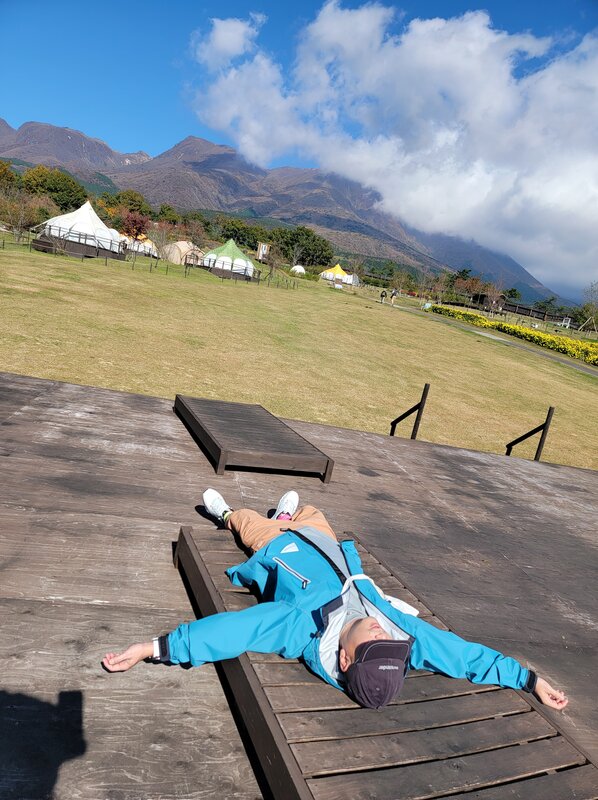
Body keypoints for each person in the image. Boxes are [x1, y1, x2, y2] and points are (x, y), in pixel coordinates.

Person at [103, 491, 568, 711]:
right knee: (314, 511)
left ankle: (227, 513)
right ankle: (290, 513)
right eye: (389, 644)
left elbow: (236, 631)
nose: (383, 633)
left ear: (344, 659)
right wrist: (529, 679)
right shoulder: (403, 636)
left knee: (247, 523)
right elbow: (463, 656)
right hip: (327, 544)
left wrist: (154, 648)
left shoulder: (300, 626)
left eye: (374, 644)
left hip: (279, 550)